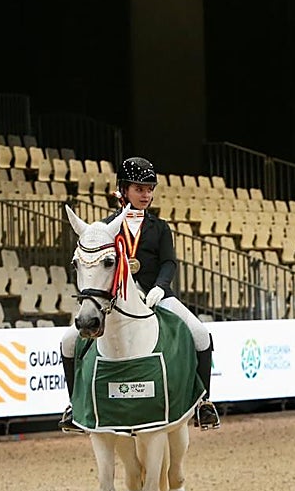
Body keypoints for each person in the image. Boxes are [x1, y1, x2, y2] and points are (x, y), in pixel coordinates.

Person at [60, 157, 220, 431]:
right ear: (124, 190)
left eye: (149, 189)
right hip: (116, 299)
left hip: (157, 294)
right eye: (139, 189)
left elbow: (169, 262)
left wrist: (160, 285)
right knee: (68, 341)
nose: (146, 195)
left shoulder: (159, 227)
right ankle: (75, 406)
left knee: (200, 333)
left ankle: (204, 402)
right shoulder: (106, 228)